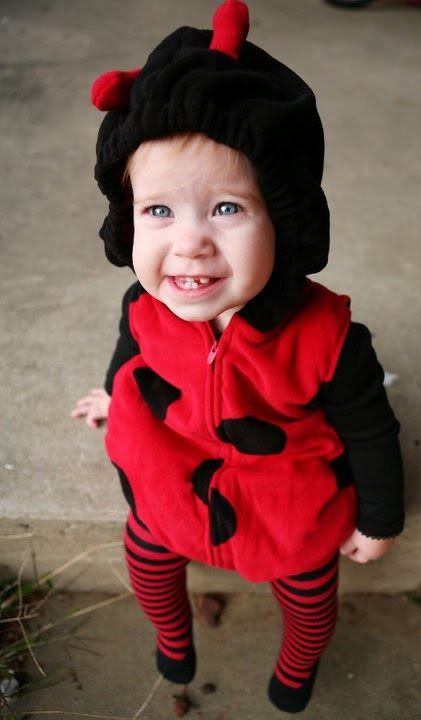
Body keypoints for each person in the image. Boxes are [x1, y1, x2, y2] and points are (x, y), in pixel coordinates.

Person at [71, 0, 404, 712]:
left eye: (226, 208)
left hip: (290, 501)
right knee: (147, 558)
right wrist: (114, 394)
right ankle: (171, 635)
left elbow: (373, 433)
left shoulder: (333, 339)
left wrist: (379, 518)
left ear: (284, 219)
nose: (189, 241)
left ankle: (296, 665)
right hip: (175, 479)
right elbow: (130, 356)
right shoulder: (143, 305)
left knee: (311, 597)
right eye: (158, 211)